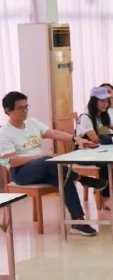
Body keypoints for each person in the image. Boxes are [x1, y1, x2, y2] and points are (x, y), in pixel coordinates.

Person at [0, 91, 105, 236]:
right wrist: (41, 157)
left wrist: (76, 138)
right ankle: (81, 178)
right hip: (21, 173)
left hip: (43, 168)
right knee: (47, 161)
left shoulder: (32, 123)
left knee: (64, 178)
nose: (25, 111)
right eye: (20, 108)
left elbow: (55, 133)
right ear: (8, 110)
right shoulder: (4, 133)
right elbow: (11, 161)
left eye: (26, 107)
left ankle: (78, 221)